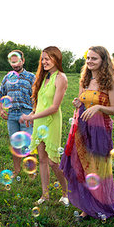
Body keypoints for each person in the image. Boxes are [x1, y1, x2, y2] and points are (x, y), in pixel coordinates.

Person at [59, 46, 114, 222]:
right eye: (88, 58)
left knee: (100, 169)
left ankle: (108, 208)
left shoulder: (111, 82)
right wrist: (78, 102)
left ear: (104, 61)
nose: (90, 62)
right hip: (82, 128)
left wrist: (99, 107)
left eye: (94, 59)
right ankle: (87, 208)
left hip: (100, 129)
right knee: (82, 165)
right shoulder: (84, 80)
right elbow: (81, 102)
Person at [20, 46, 69, 205]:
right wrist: (33, 115)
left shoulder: (61, 78)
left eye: (48, 58)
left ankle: (66, 193)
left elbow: (54, 107)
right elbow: (40, 101)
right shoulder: (42, 77)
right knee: (42, 159)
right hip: (39, 120)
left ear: (56, 58)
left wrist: (32, 116)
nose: (44, 62)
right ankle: (45, 195)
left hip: (52, 121)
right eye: (43, 59)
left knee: (53, 161)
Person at [0, 50, 35, 175]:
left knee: (29, 144)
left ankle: (31, 171)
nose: (15, 65)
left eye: (18, 61)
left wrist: (33, 114)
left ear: (23, 61)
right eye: (13, 62)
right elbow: (0, 95)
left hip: (27, 113)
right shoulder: (7, 77)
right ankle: (17, 170)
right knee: (15, 144)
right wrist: (1, 109)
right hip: (12, 114)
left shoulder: (31, 77)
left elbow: (37, 97)